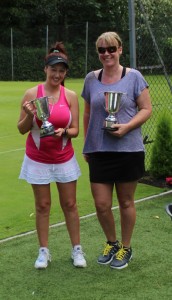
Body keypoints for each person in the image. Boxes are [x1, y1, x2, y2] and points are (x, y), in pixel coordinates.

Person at [81, 32, 152, 270]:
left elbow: (146, 109)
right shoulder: (91, 78)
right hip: (99, 150)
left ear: (120, 49)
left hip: (128, 149)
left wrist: (127, 127)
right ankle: (111, 243)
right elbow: (88, 113)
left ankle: (126, 247)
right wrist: (87, 144)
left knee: (125, 201)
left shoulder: (134, 77)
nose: (106, 54)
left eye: (111, 48)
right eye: (101, 50)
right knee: (101, 204)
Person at [18, 41, 87, 269]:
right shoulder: (31, 93)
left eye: (61, 70)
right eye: (53, 69)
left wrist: (64, 132)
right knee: (43, 206)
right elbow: (21, 128)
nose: (57, 74)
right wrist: (29, 115)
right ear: (45, 69)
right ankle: (44, 252)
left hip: (64, 157)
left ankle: (77, 249)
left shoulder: (70, 95)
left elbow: (75, 130)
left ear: (65, 72)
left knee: (70, 204)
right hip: (37, 159)